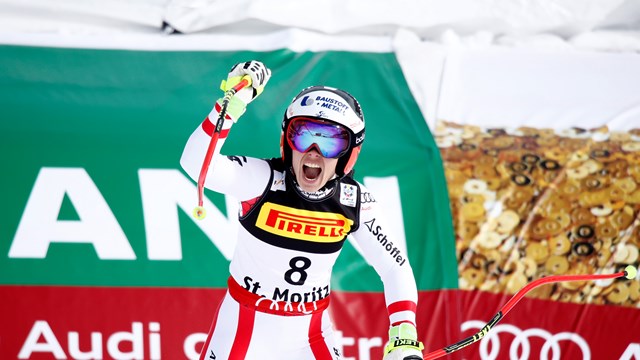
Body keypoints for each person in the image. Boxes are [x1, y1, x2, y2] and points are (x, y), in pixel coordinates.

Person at [180, 61, 424, 360]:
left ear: (348, 154)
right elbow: (195, 164)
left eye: (331, 142)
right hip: (243, 332)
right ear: (287, 141)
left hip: (310, 338)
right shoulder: (261, 179)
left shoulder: (354, 201)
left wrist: (403, 334)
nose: (314, 153)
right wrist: (230, 104)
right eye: (303, 136)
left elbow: (394, 266)